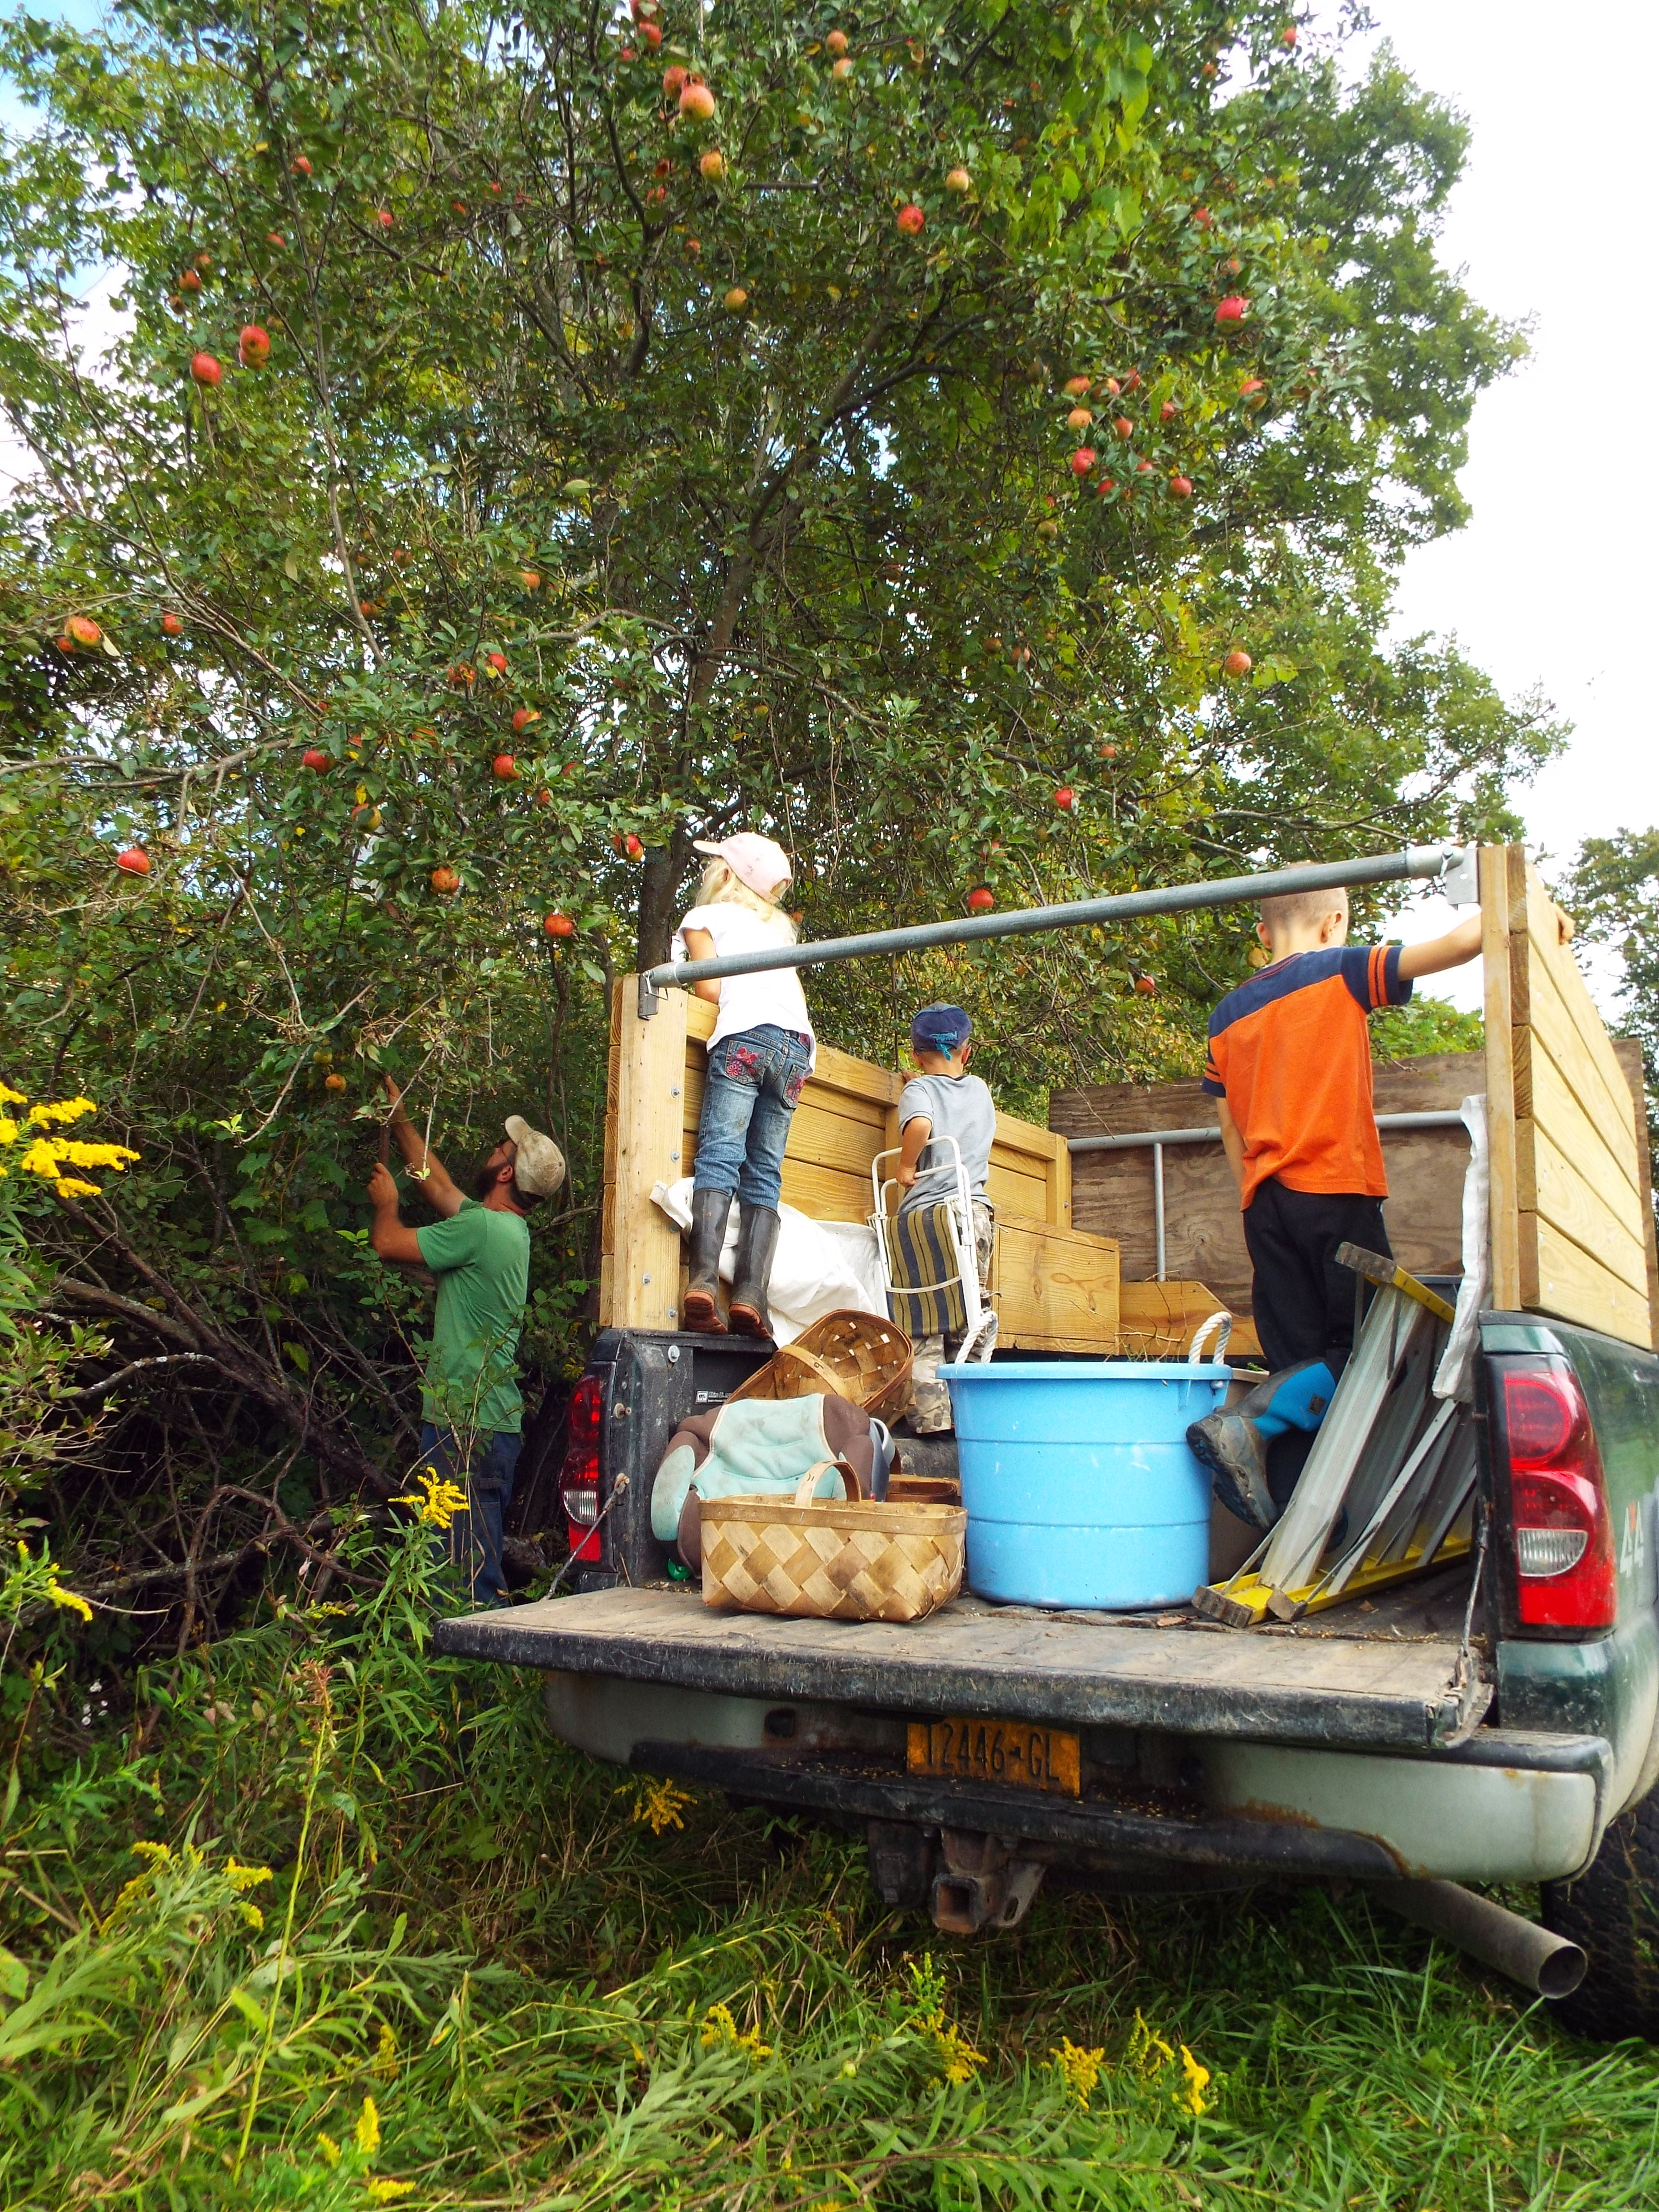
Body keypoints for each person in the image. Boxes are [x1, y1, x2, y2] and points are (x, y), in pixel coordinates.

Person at [1185, 879, 1482, 1529]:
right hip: (1334, 1188)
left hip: (1264, 1205)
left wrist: (1254, 1195)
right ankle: (1249, 1421)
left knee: (1296, 1361)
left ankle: (1302, 1533)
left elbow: (1229, 1127)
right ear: (1335, 922)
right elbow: (1464, 943)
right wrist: (1525, 905)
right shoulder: (1341, 970)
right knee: (1379, 1349)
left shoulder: (1225, 1016)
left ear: (1263, 933)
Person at [366, 1079, 565, 1602]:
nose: (493, 1148)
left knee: (460, 1576)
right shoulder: (502, 1229)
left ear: (505, 1173)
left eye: (501, 1148)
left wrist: (386, 1203)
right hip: (486, 1422)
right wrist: (401, 1122)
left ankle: (477, 1665)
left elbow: (387, 1244)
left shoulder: (481, 1231)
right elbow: (438, 1187)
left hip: (467, 1425)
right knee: (469, 1560)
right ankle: (481, 1666)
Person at [675, 832, 814, 1337]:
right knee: (765, 1172)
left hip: (746, 1038)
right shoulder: (779, 934)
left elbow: (710, 988)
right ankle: (752, 1296)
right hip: (797, 1051)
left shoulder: (705, 918)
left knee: (720, 1154)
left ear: (726, 875)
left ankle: (705, 1282)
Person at [894, 1004, 997, 1436]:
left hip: (929, 1220)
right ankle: (970, 1416)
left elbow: (920, 1122)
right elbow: (948, 1100)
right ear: (966, 1052)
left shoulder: (919, 1093)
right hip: (975, 1214)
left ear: (916, 1056)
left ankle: (933, 1425)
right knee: (967, 1315)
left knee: (924, 1322)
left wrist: (905, 1165)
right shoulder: (980, 1090)